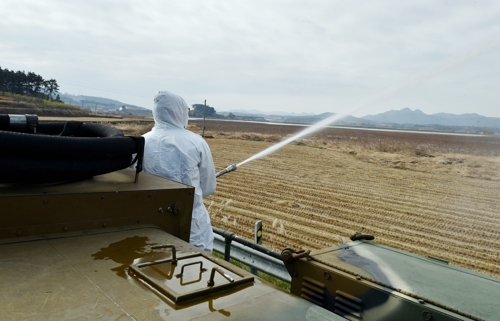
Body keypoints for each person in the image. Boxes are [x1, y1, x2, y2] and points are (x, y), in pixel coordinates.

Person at [141, 90, 216, 253]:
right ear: (180, 111)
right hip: (193, 227)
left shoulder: (142, 141)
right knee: (195, 272)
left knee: (156, 270)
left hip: (152, 225)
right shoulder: (196, 142)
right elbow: (209, 187)